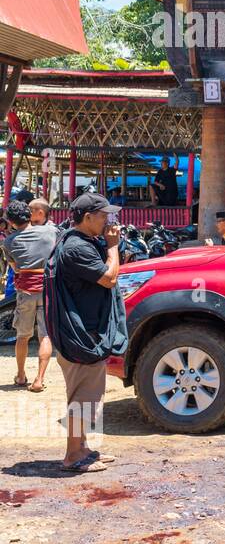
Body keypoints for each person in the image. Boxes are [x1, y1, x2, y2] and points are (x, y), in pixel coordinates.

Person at [42, 192, 127, 474]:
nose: (108, 221)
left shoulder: (83, 242)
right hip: (81, 335)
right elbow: (109, 278)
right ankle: (72, 455)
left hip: (86, 333)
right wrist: (113, 247)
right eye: (103, 216)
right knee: (82, 397)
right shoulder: (77, 248)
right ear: (87, 217)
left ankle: (82, 448)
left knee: (86, 395)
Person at [2, 200, 57, 392]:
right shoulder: (51, 232)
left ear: (11, 221)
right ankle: (39, 379)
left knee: (23, 336)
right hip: (48, 290)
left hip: (26, 292)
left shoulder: (9, 241)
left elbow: (16, 268)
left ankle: (21, 375)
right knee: (45, 335)